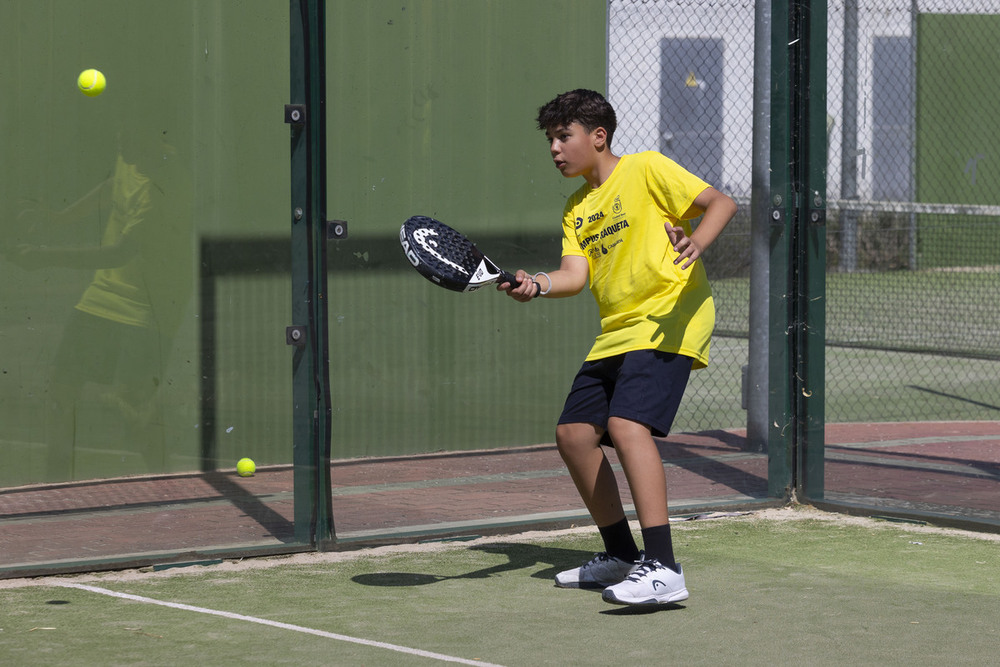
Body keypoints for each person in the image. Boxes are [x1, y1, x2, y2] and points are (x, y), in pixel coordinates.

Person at [500, 89, 737, 606]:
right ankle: (622, 556)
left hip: (669, 316)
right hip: (618, 330)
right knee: (574, 435)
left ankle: (665, 568)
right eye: (551, 140)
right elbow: (573, 275)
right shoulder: (576, 208)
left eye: (564, 136)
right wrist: (536, 283)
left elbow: (720, 202)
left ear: (598, 136)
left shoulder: (647, 169)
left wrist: (698, 241)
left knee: (628, 427)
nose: (555, 149)